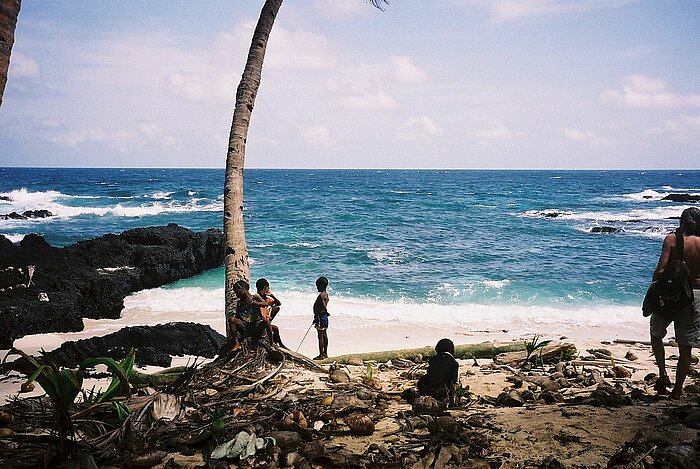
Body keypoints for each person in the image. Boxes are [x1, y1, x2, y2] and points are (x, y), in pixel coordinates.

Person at [650, 207, 700, 398]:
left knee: (656, 334)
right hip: (695, 297)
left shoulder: (673, 240)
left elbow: (660, 271)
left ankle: (663, 373)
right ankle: (678, 389)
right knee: (686, 345)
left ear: (683, 222)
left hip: (671, 295)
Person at [228, 279, 273, 352]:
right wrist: (237, 324)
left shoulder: (255, 297)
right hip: (246, 327)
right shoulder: (239, 303)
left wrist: (254, 303)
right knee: (231, 319)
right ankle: (237, 343)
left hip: (256, 325)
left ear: (243, 290)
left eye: (237, 292)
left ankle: (271, 344)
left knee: (266, 321)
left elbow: (265, 304)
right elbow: (237, 316)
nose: (236, 294)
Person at [417, 338, 460, 406]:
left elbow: (430, 375)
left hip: (428, 389)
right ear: (451, 350)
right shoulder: (454, 363)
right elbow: (453, 381)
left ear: (437, 349)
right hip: (443, 391)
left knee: (422, 379)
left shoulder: (433, 360)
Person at [253, 278, 285, 348]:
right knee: (273, 326)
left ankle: (280, 344)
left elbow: (278, 303)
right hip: (257, 324)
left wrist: (272, 295)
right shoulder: (256, 297)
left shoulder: (265, 297)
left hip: (264, 321)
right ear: (265, 287)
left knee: (276, 309)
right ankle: (272, 344)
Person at [313, 276, 330, 360]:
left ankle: (321, 354)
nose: (316, 287)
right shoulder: (326, 294)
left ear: (321, 285)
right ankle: (325, 353)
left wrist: (317, 316)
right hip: (324, 317)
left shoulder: (321, 296)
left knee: (320, 336)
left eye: (317, 286)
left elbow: (323, 306)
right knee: (324, 334)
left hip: (320, 316)